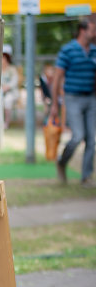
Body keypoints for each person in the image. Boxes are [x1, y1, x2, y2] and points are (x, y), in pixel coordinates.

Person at [49, 16, 96, 186]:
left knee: (92, 140)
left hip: (91, 98)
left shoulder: (94, 50)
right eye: (93, 29)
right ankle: (62, 162)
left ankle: (86, 177)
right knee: (78, 136)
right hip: (73, 98)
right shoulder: (68, 50)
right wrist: (55, 104)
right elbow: (57, 79)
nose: (95, 33)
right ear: (83, 30)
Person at [0, 45, 19, 129]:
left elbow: (14, 82)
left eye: (4, 57)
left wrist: (7, 87)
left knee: (8, 100)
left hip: (10, 92)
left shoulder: (12, 69)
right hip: (0, 92)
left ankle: (6, 123)